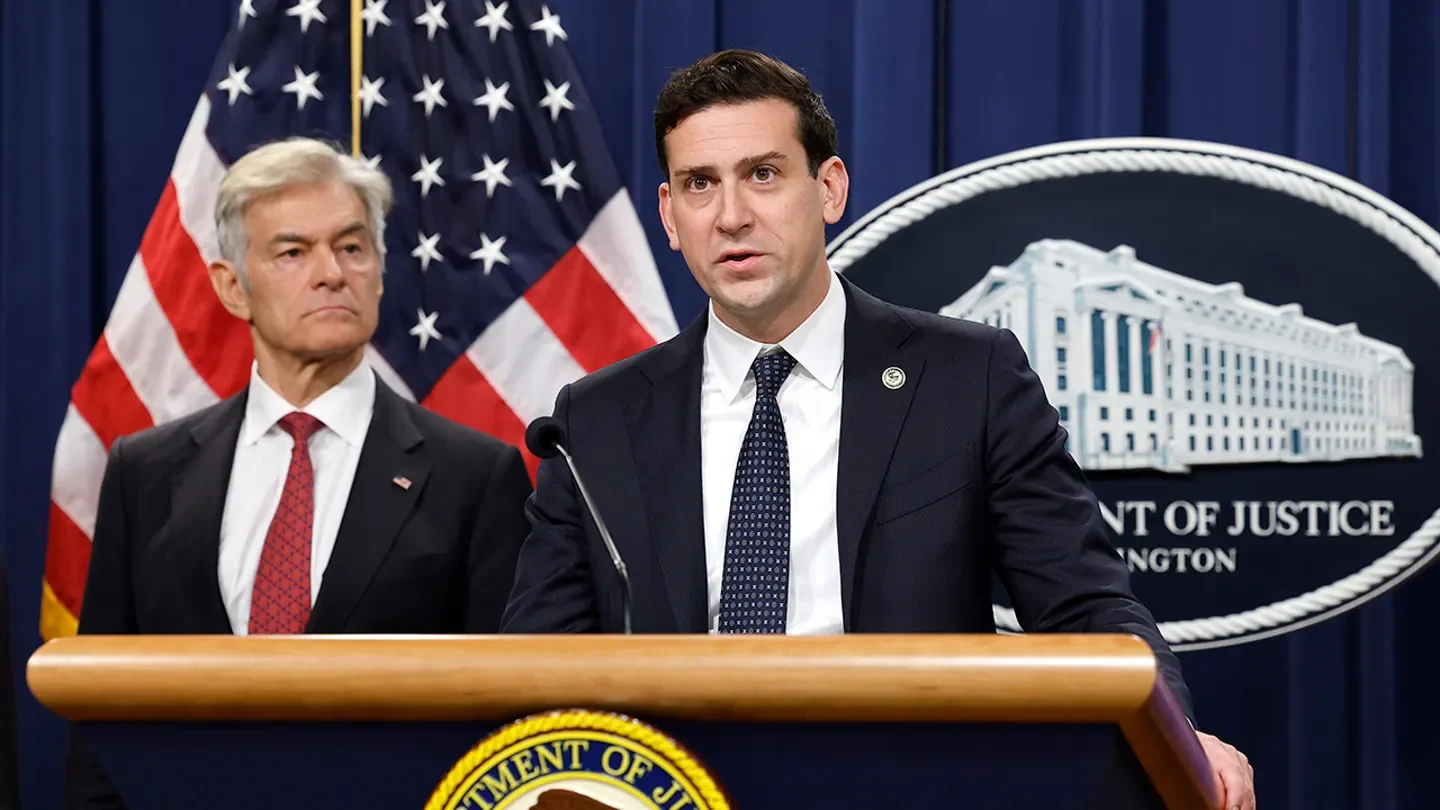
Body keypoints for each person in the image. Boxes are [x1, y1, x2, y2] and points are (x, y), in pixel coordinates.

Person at [500, 50, 1255, 809]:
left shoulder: (969, 379)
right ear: (669, 215)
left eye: (762, 174)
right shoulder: (594, 422)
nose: (730, 215)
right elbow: (536, 666)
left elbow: (1087, 608)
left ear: (828, 189)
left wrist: (1176, 734)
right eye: (701, 184)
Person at [66, 137, 533, 807]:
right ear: (233, 287)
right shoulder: (146, 472)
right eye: (292, 252)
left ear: (378, 272)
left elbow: (504, 721)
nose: (330, 273)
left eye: (351, 247)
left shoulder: (475, 477)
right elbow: (102, 710)